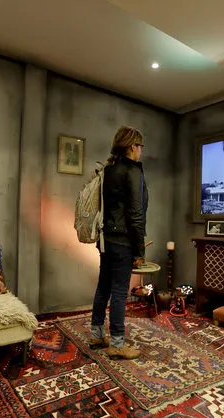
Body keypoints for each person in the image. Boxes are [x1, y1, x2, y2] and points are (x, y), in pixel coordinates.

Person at [89, 125, 148, 360]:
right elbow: (135, 214)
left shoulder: (109, 169)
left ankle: (96, 335)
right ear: (133, 146)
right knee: (119, 292)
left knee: (104, 286)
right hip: (123, 241)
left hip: (106, 240)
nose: (141, 151)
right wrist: (139, 250)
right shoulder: (132, 171)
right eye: (140, 146)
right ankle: (116, 343)